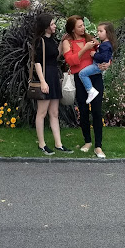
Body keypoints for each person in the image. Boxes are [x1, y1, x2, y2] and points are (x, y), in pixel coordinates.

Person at [62, 15, 110, 159]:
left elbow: (105, 53)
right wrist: (84, 49)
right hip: (79, 79)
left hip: (95, 78)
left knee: (96, 111)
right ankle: (87, 141)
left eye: (83, 25)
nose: (83, 28)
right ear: (72, 29)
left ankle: (98, 146)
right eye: (79, 26)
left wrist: (108, 63)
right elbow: (71, 61)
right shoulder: (67, 42)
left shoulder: (90, 39)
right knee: (83, 110)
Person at [32, 13, 73, 155]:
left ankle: (58, 144)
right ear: (45, 27)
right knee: (42, 113)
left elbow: (55, 56)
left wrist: (61, 43)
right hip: (45, 76)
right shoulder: (39, 41)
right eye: (52, 24)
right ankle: (42, 144)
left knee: (54, 113)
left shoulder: (52, 40)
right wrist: (43, 81)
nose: (55, 26)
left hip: (54, 76)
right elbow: (37, 62)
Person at [79, 22, 116, 104]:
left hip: (97, 66)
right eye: (98, 31)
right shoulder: (105, 43)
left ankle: (90, 90)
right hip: (98, 65)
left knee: (82, 74)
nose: (98, 33)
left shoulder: (105, 45)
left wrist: (94, 54)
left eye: (101, 31)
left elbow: (104, 57)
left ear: (108, 33)